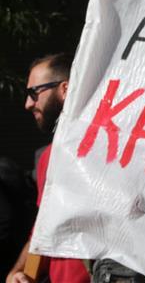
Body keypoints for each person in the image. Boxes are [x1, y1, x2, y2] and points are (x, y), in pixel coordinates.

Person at [6, 53, 90, 283]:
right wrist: (22, 273)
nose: (28, 104)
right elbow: (44, 229)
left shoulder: (113, 152)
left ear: (65, 89)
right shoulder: (49, 157)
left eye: (35, 93)